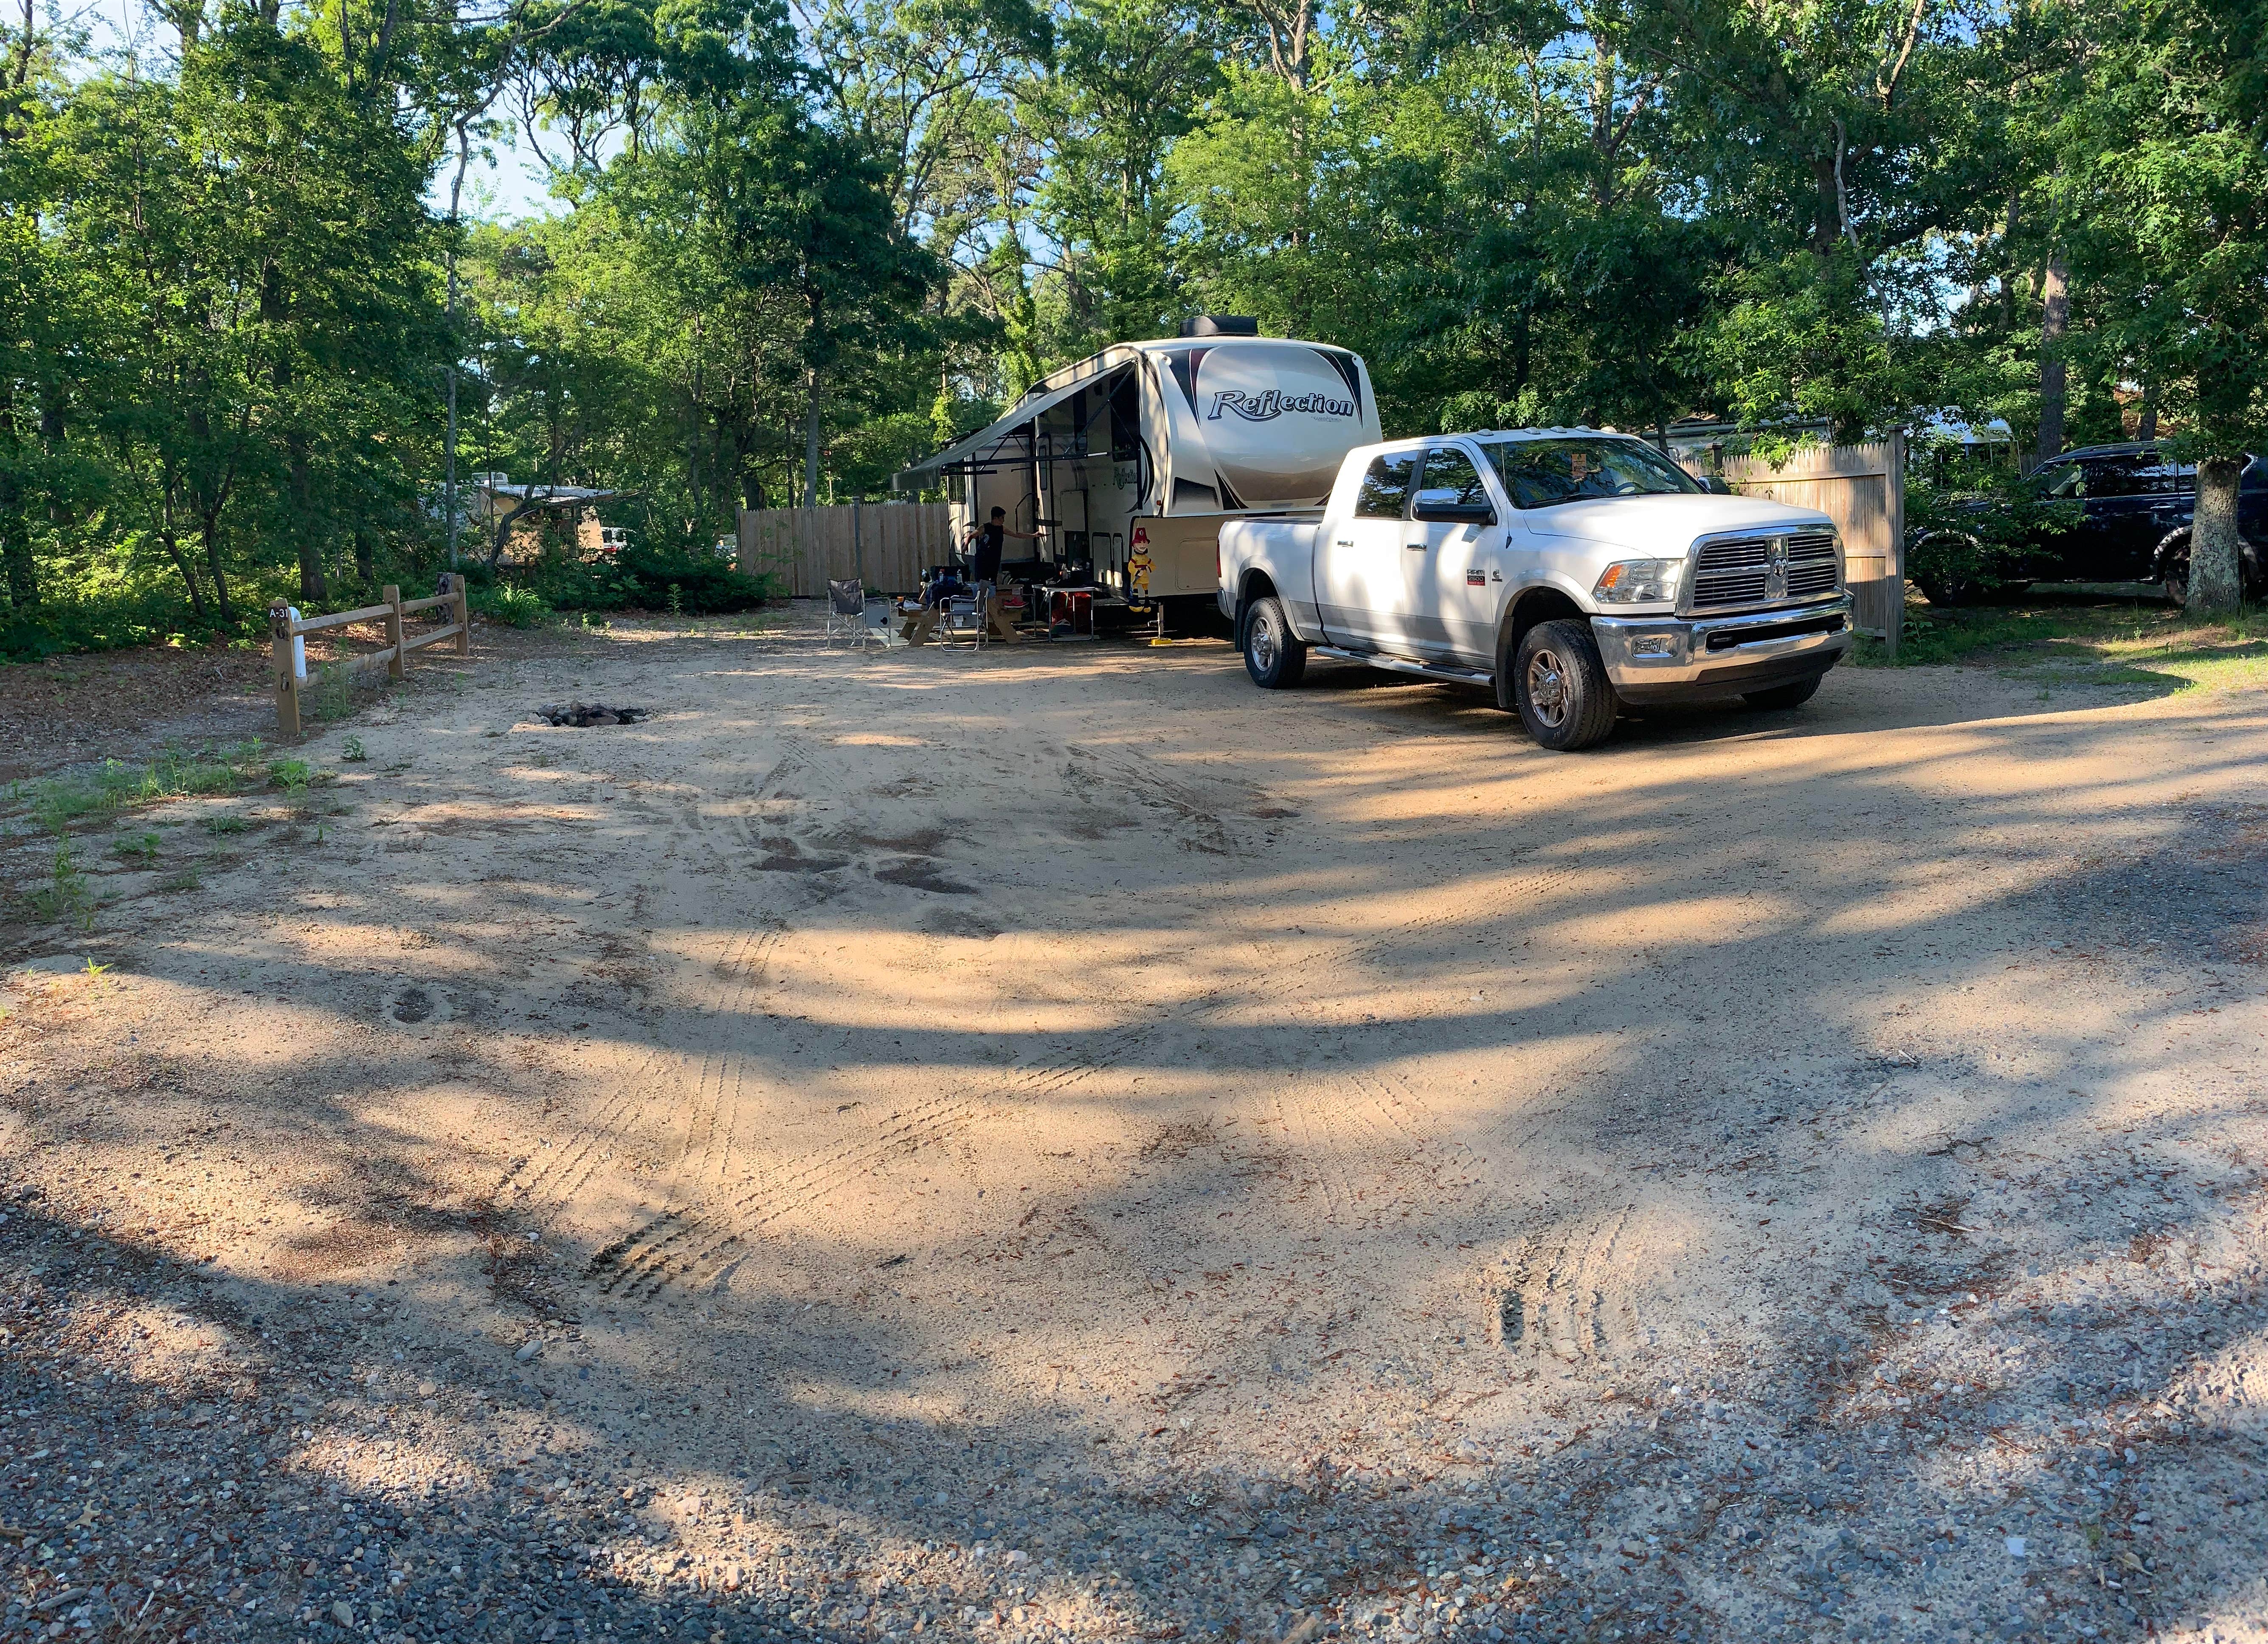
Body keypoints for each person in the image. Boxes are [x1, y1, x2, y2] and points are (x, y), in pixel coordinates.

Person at [965, 507, 1042, 586]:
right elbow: (971, 536)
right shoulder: (984, 527)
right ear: (996, 518)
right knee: (982, 582)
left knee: (993, 583)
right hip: (983, 560)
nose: (1004, 520)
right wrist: (966, 546)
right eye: (1002, 518)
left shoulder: (1002, 529)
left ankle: (992, 596)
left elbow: (1016, 534)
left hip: (995, 560)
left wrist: (1034, 535)